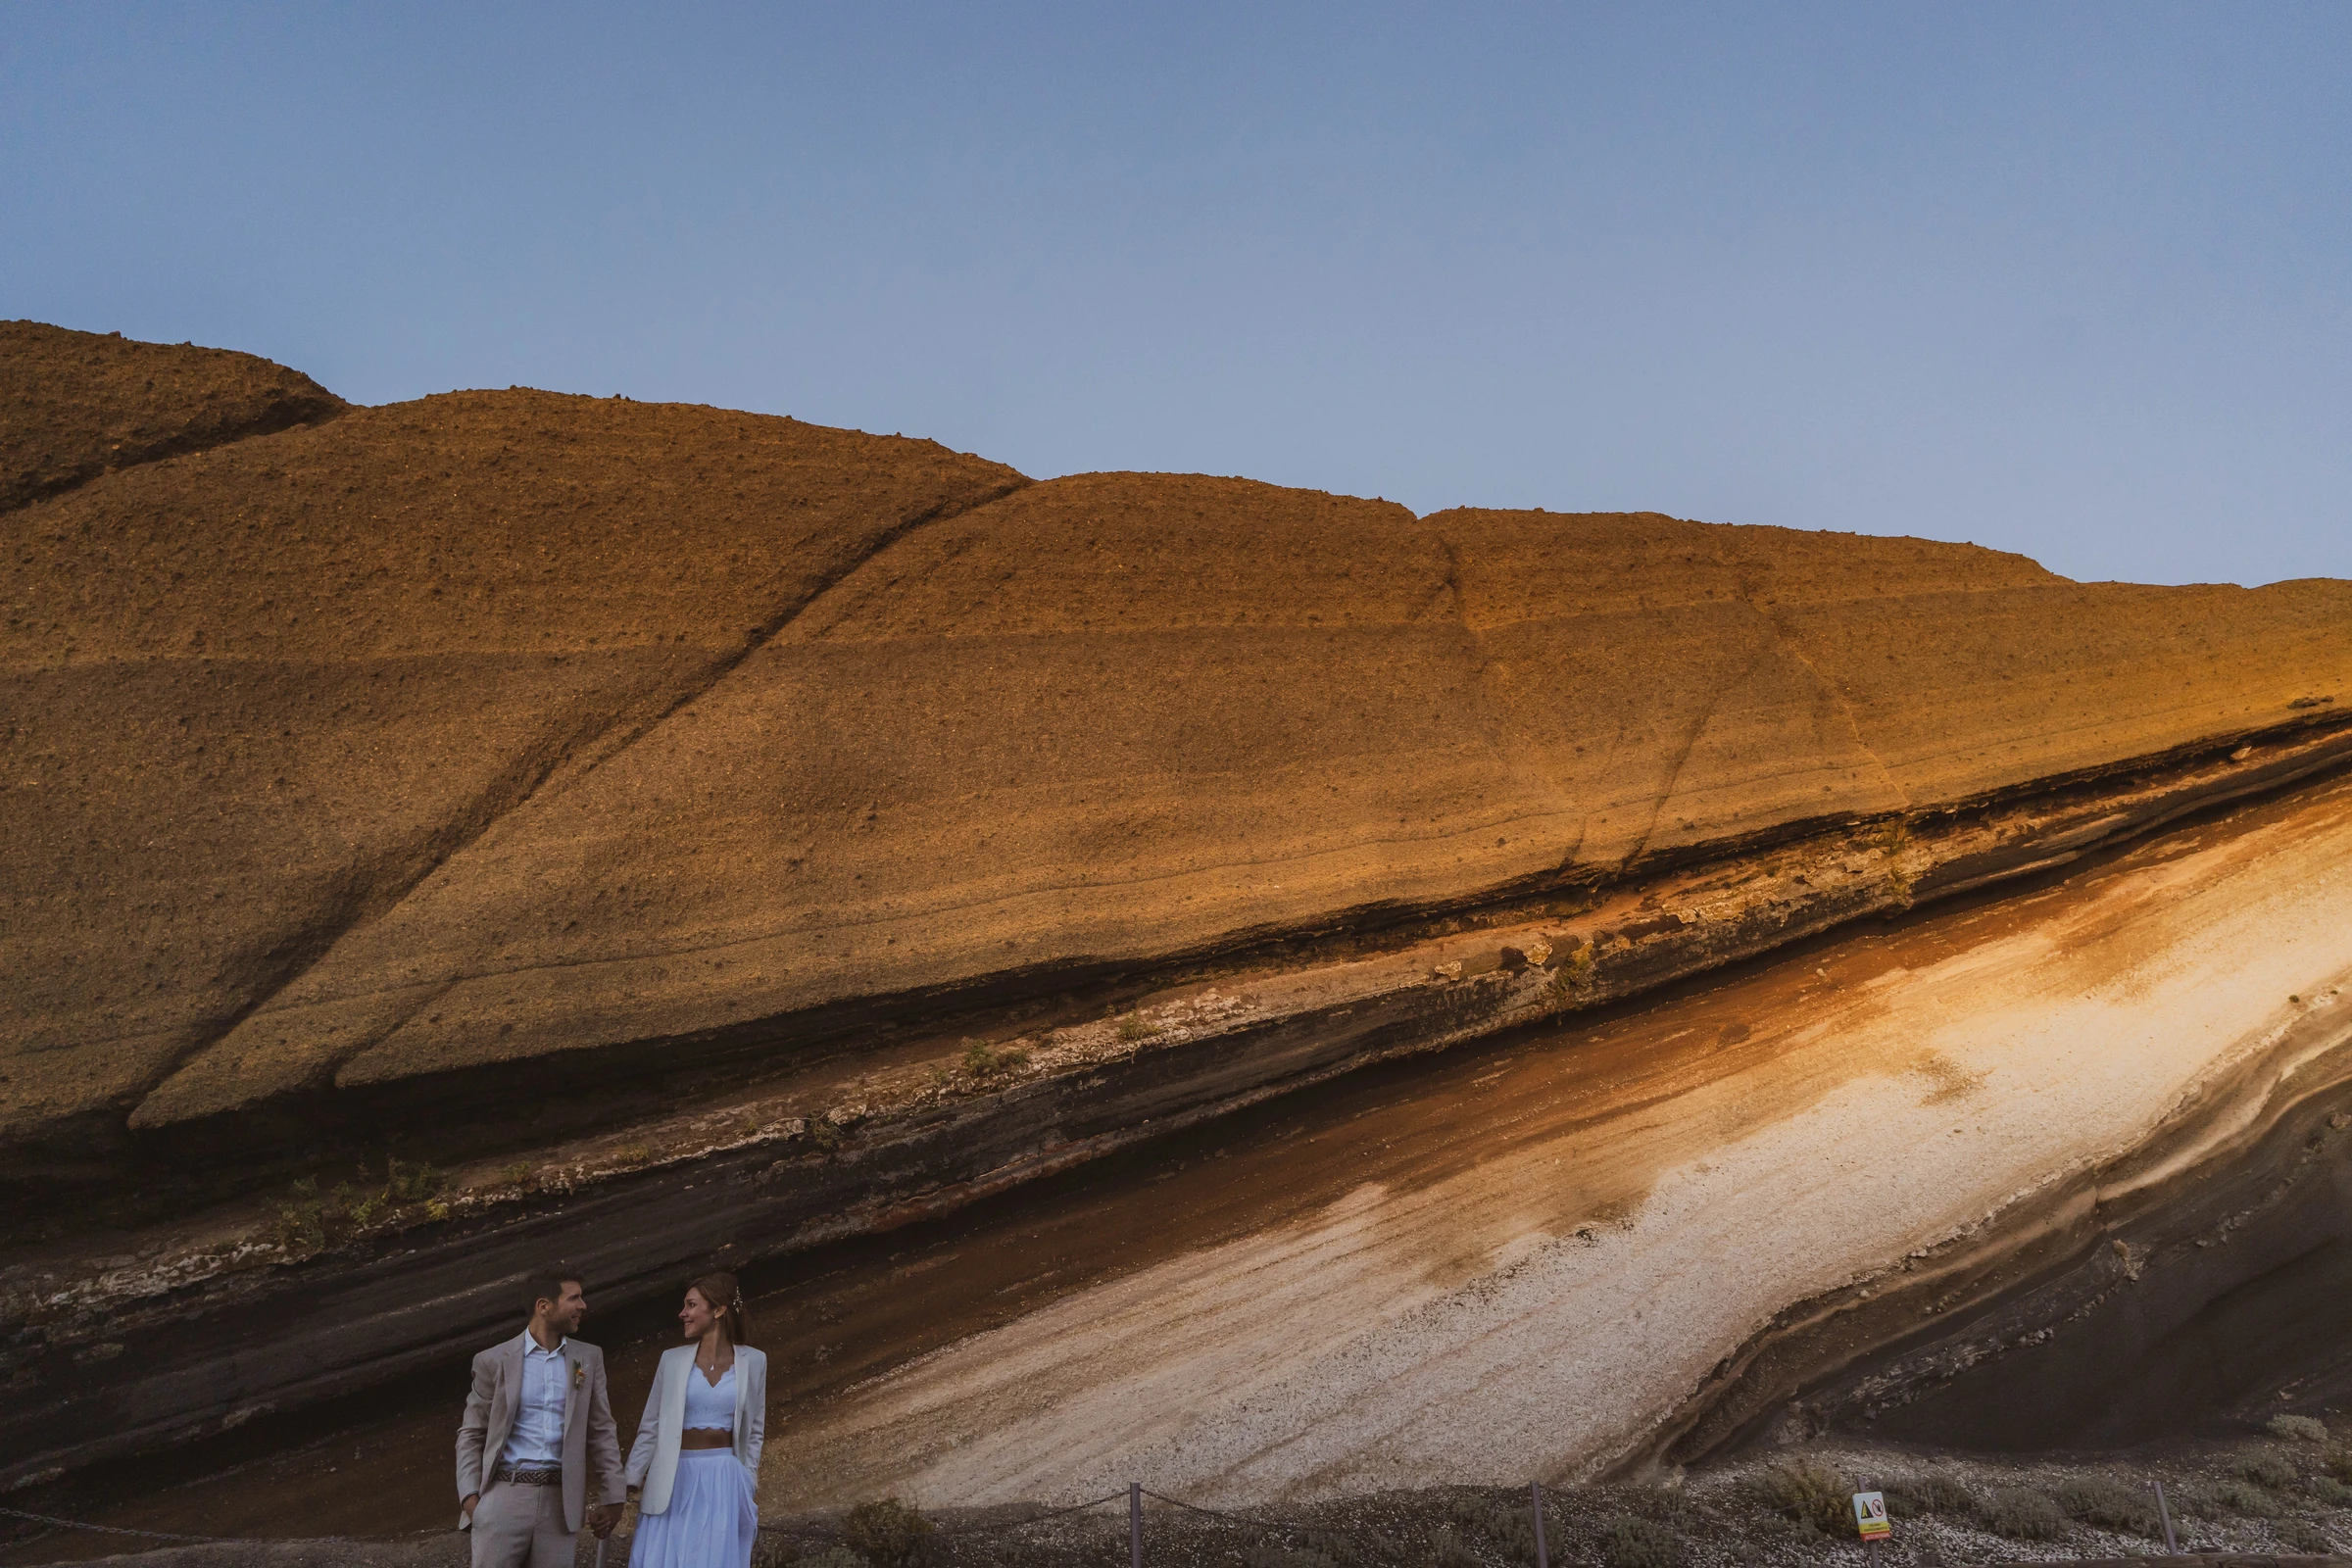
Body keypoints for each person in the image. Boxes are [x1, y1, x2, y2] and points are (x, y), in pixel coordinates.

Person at [456, 1268, 625, 1568]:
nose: (583, 1306)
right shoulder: (493, 1360)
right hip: (503, 1496)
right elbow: (471, 1433)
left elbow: (601, 1429)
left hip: (561, 1503)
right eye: (574, 1298)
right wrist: (471, 1499)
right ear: (543, 1306)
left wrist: (613, 1496)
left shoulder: (587, 1358)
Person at [623, 1271, 767, 1568]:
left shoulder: (755, 1360)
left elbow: (755, 1429)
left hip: (724, 1480)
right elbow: (651, 1424)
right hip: (674, 1478)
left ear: (718, 1310)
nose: (682, 1313)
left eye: (691, 1305)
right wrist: (630, 1479)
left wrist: (747, 1479)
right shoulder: (671, 1360)